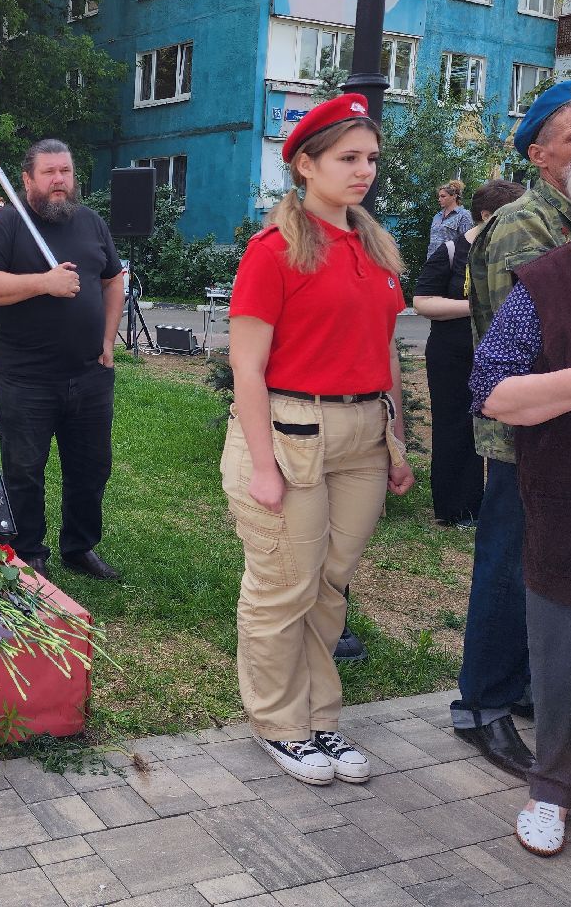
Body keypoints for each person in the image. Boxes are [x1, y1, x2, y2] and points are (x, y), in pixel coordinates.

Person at [223, 93, 413, 786]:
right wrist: (263, 467)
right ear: (306, 164)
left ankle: (321, 719)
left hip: (363, 436)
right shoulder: (274, 252)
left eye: (370, 159)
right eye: (347, 158)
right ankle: (281, 725)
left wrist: (396, 441)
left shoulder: (375, 246)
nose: (363, 171)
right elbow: (245, 366)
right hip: (293, 432)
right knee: (284, 586)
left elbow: (386, 352)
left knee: (330, 586)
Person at [454, 80, 571, 778]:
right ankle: (481, 706)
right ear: (542, 156)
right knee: (510, 567)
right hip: (524, 431)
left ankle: (520, 687)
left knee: (544, 569)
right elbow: (512, 339)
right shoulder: (527, 223)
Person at [0, 140, 123, 582]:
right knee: (24, 468)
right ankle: (28, 549)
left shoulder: (92, 223)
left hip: (90, 374)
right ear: (27, 180)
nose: (60, 180)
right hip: (25, 377)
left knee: (91, 467)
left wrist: (109, 339)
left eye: (66, 171)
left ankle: (80, 546)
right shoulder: (7, 225)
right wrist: (44, 283)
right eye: (50, 172)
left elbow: (113, 280)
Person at [412, 180, 525, 527]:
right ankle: (459, 510)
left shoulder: (520, 250)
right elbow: (422, 301)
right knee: (455, 427)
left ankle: (508, 507)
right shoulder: (451, 250)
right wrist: (477, 306)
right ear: (487, 215)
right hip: (453, 354)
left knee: (513, 429)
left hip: (507, 357)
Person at [427, 180, 473, 260]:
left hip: (449, 263)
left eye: (443, 196)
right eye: (439, 196)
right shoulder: (437, 216)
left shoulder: (464, 215)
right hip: (432, 262)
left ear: (454, 196)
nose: (439, 199)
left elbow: (466, 244)